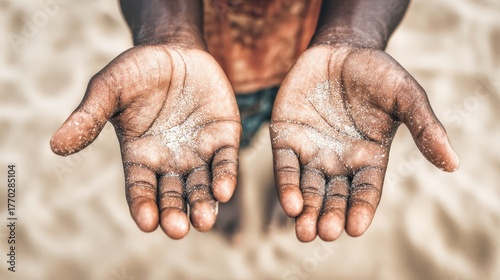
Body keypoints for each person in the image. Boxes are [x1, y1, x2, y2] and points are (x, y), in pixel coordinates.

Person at [50, 0, 459, 242]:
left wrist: (353, 36)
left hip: (317, 59)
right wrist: (169, 32)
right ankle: (231, 180)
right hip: (201, 65)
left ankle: (262, 184)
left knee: (293, 131)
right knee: (225, 134)